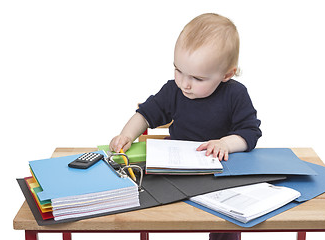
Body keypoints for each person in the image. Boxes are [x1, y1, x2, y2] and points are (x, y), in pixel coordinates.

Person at [110, 13, 261, 240]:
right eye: (178, 70)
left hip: (221, 173)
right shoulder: (174, 90)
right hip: (176, 169)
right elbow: (144, 114)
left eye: (198, 79)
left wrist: (225, 144)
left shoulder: (236, 95)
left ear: (227, 74)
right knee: (146, 199)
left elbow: (250, 133)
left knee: (229, 220)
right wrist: (126, 134)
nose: (184, 83)